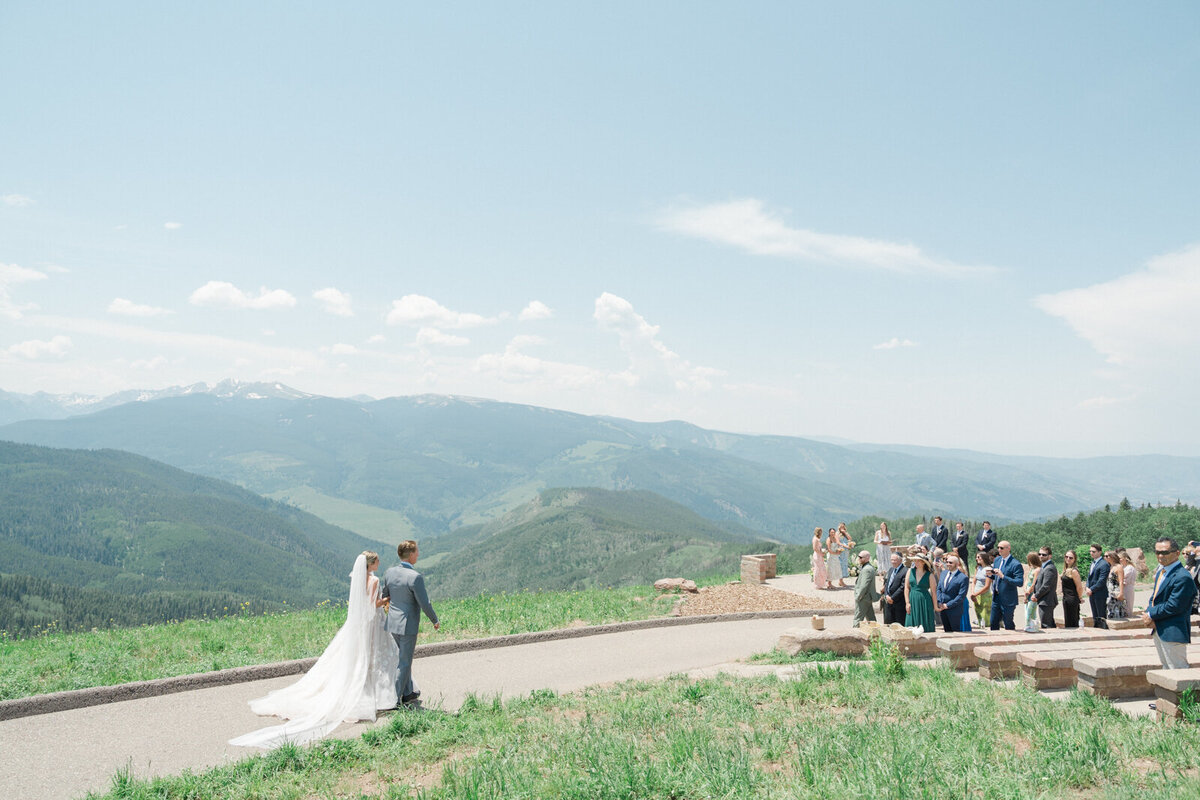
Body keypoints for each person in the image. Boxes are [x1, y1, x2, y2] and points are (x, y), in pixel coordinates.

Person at [230, 551, 400, 748]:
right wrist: (387, 600)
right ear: (371, 563)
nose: (379, 562)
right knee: (372, 656)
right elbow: (373, 604)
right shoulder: (375, 580)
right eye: (377, 560)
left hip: (359, 624)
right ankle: (376, 693)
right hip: (372, 622)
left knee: (357, 657)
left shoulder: (358, 578)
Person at [381, 539, 440, 708]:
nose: (419, 554)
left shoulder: (390, 572)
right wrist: (434, 620)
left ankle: (408, 694)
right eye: (417, 552)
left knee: (402, 659)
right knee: (405, 662)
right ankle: (394, 700)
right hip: (407, 625)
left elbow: (386, 594)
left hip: (392, 622)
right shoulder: (415, 577)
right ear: (411, 554)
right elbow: (424, 603)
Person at [1141, 537, 1198, 669]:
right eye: (1157, 552)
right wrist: (1149, 611)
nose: (1161, 556)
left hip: (1173, 630)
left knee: (1178, 670)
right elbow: (1155, 597)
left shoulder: (1182, 576)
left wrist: (1150, 613)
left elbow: (1174, 606)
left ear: (1177, 553)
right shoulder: (1163, 572)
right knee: (1167, 669)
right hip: (1159, 628)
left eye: (1165, 552)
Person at [989, 541, 1024, 630]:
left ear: (1008, 549)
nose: (999, 550)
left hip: (1008, 599)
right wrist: (990, 575)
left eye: (1001, 548)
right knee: (993, 622)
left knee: (1008, 623)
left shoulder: (1015, 564)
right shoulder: (997, 560)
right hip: (996, 597)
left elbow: (1019, 582)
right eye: (998, 547)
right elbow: (996, 576)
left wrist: (1003, 577)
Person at [904, 553, 938, 633]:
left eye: (918, 561)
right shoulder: (910, 571)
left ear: (923, 562)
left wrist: (936, 607)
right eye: (914, 561)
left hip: (925, 601)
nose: (915, 562)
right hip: (912, 600)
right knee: (910, 624)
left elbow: (933, 592)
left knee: (925, 623)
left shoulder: (930, 575)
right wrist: (907, 602)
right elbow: (906, 588)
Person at [936, 554, 969, 633]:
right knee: (947, 631)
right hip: (943, 609)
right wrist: (939, 601)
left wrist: (947, 605)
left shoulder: (963, 578)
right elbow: (939, 589)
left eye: (951, 563)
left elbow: (961, 596)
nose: (948, 564)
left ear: (957, 564)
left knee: (956, 633)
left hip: (955, 610)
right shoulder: (944, 573)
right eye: (947, 562)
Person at [1084, 543, 1110, 629]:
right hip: (1092, 593)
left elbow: (1101, 580)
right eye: (1090, 551)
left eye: (1094, 551)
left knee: (1101, 616)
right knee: (1095, 616)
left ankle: (1103, 631)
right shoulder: (1093, 563)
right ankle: (1097, 629)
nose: (1091, 553)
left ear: (1100, 552)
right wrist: (1087, 587)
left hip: (1100, 593)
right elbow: (1089, 577)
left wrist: (1091, 589)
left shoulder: (1104, 564)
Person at [1032, 546, 1058, 629]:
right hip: (1044, 600)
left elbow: (1046, 586)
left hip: (1047, 601)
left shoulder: (1049, 568)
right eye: (1039, 554)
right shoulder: (1044, 566)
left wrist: (1036, 595)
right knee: (1048, 623)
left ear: (1050, 556)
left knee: (1046, 625)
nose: (1041, 556)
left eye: (1044, 555)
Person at [853, 551, 880, 626]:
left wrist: (859, 596)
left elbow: (864, 585)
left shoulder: (867, 569)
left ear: (867, 558)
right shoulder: (867, 567)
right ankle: (876, 633)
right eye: (859, 557)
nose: (859, 559)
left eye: (861, 557)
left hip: (864, 597)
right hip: (867, 597)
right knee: (871, 619)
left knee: (857, 619)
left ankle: (855, 635)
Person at [1061, 550, 1086, 628]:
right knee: (1068, 622)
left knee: (1073, 622)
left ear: (1074, 559)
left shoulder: (1074, 571)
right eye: (1066, 557)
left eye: (1071, 558)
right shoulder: (1066, 569)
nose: (1068, 559)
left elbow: (1079, 587)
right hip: (1066, 598)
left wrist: (1080, 597)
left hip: (1072, 599)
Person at [881, 552, 908, 624]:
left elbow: (903, 587)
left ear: (900, 560)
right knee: (888, 624)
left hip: (899, 603)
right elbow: (887, 584)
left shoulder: (905, 571)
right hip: (888, 603)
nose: (893, 562)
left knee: (899, 625)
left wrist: (892, 598)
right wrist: (886, 595)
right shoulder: (891, 570)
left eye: (895, 560)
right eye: (891, 560)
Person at [969, 552, 993, 628]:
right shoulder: (978, 568)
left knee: (985, 617)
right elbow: (974, 581)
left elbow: (987, 586)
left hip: (985, 595)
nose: (977, 559)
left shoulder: (988, 569)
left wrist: (975, 594)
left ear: (984, 558)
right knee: (978, 614)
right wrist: (973, 592)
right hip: (976, 594)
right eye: (976, 557)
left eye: (979, 557)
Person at [1022, 552, 1042, 632]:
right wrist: (1025, 590)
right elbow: (1026, 580)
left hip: (1032, 592)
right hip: (1027, 591)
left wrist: (1029, 591)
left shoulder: (1037, 570)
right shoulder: (1031, 569)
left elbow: (1034, 583)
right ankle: (1029, 625)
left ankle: (1032, 625)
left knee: (1030, 610)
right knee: (1026, 609)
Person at [1104, 551, 1126, 620]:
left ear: (1112, 557)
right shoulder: (1111, 566)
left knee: (1116, 610)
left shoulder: (1118, 567)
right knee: (1110, 610)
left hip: (1116, 591)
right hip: (1110, 592)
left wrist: (1121, 593)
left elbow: (1121, 580)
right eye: (1104, 556)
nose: (1105, 558)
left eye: (1107, 556)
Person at [1120, 552, 1137, 618]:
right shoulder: (1123, 567)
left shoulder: (1130, 568)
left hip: (1127, 588)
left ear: (1125, 558)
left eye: (1120, 558)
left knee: (1128, 605)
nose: (1119, 560)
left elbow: (1125, 579)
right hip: (1122, 587)